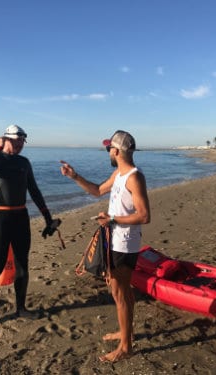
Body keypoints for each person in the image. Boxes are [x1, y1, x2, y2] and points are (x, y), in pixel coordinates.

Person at [60, 130, 151, 362]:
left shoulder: (133, 177)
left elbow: (144, 215)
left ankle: (126, 347)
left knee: (119, 293)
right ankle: (125, 332)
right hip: (114, 240)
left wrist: (112, 220)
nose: (108, 152)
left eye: (109, 148)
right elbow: (97, 191)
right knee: (120, 290)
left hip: (125, 244)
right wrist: (74, 176)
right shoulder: (118, 174)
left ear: (117, 151)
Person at [0, 124, 60, 328]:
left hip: (21, 217)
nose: (20, 145)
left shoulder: (24, 162)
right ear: (6, 139)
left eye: (22, 142)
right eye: (16, 141)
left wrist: (48, 218)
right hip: (0, 219)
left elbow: (34, 191)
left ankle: (20, 308)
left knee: (22, 265)